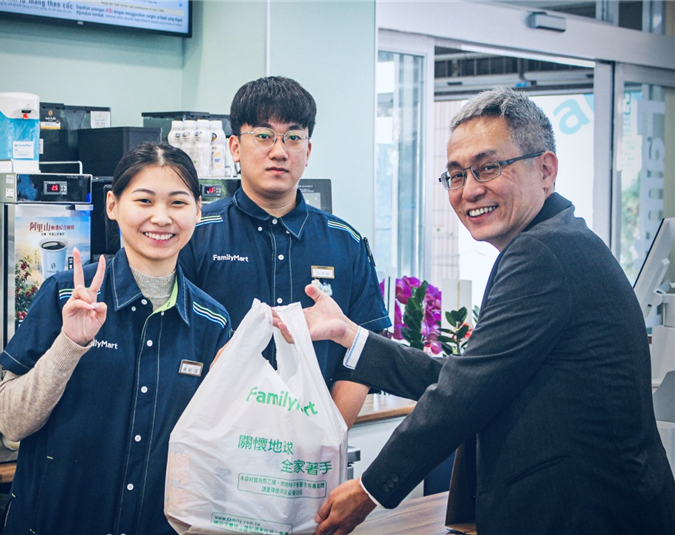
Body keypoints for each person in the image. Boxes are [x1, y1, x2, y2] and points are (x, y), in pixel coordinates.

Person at [276, 88, 675, 535]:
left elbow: (463, 392)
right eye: (456, 175)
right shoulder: (558, 241)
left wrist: (368, 490)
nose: (469, 190)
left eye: (488, 168)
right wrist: (349, 335)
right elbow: (473, 377)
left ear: (545, 170)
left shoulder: (543, 254)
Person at [0, 143, 232, 535]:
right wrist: (69, 345)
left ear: (197, 211)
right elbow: (10, 424)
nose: (161, 217)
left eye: (177, 202)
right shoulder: (64, 296)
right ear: (112, 205)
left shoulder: (212, 323)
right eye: (144, 200)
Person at [179, 76, 390, 427]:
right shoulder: (196, 234)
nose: (279, 151)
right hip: (216, 439)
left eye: (293, 137)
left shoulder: (345, 242)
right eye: (263, 136)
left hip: (314, 441)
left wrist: (328, 435)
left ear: (308, 152)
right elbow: (175, 348)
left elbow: (362, 352)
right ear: (235, 147)